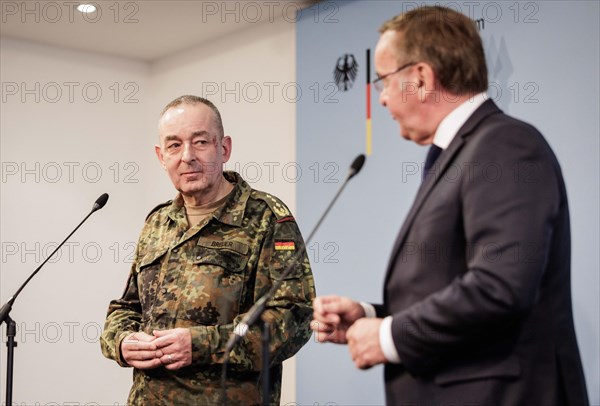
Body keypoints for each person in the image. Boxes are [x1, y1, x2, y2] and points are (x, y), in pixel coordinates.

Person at [311, 6, 589, 405]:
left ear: (421, 78)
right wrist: (373, 318)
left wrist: (389, 338)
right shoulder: (460, 154)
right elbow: (451, 287)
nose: (383, 100)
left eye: (383, 81)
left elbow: (500, 288)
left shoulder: (504, 146)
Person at [101, 95, 315, 405]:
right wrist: (121, 342)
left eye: (200, 142)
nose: (187, 156)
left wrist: (202, 344)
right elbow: (126, 307)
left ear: (224, 148)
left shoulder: (267, 217)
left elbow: (294, 318)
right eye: (174, 146)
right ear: (161, 157)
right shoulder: (157, 222)